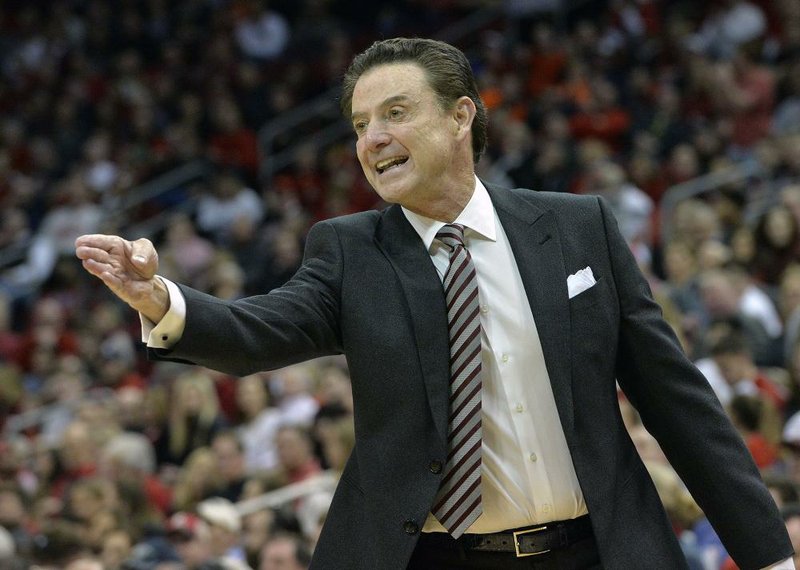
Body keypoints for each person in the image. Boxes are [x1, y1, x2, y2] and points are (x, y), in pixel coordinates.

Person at [75, 37, 792, 569]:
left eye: (394, 112)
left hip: (594, 549)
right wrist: (159, 297)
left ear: (459, 118)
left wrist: (770, 555)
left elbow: (677, 402)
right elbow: (260, 329)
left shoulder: (578, 227)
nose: (372, 138)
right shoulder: (351, 250)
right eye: (359, 125)